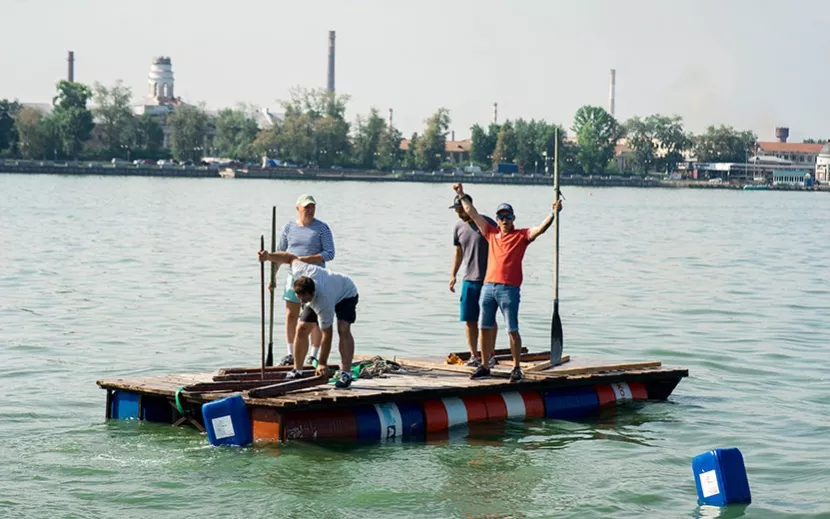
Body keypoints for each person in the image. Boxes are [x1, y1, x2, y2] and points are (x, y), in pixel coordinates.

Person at [451, 183, 563, 382]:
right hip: (488, 288)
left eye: (508, 217)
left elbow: (540, 229)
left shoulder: (521, 236)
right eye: (501, 217)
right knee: (484, 328)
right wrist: (461, 194)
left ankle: (516, 368)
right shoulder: (491, 233)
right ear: (497, 219)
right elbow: (472, 212)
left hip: (508, 290)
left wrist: (552, 214)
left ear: (513, 219)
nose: (504, 220)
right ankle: (485, 366)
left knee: (512, 329)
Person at [259, 250, 359, 389]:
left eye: (304, 298)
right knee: (301, 328)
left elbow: (327, 335)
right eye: (298, 297)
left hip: (346, 292)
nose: (301, 301)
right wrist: (268, 256)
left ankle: (346, 373)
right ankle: (297, 370)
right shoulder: (300, 270)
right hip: (325, 287)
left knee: (343, 328)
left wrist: (322, 363)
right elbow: (289, 257)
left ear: (311, 294)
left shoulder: (323, 301)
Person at [276, 194, 335, 367]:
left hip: (316, 276)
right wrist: (272, 278)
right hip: (293, 277)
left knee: (314, 316)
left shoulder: (322, 228)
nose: (310, 210)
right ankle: (290, 354)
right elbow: (280, 253)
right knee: (290, 315)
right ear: (298, 208)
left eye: (312, 206)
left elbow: (330, 253)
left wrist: (307, 259)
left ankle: (313, 356)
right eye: (306, 207)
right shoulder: (288, 227)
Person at [448, 194, 498, 367]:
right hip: (468, 278)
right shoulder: (458, 227)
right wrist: (453, 275)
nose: (459, 212)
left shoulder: (486, 223)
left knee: (488, 318)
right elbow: (458, 252)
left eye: (461, 208)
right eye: (456, 209)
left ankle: (490, 354)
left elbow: (500, 246)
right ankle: (474, 356)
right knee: (469, 319)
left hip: (488, 279)